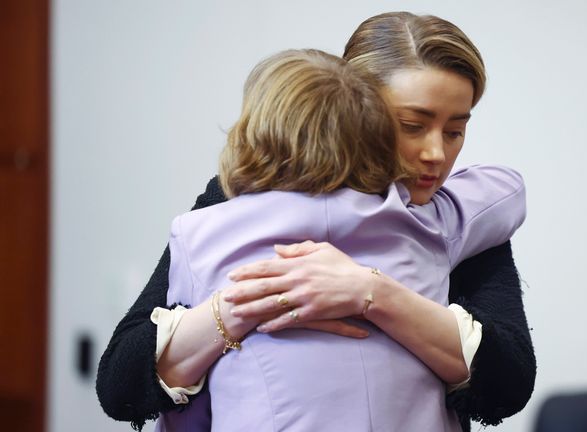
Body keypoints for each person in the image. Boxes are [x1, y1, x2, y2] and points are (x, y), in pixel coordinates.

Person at [97, 11, 536, 432]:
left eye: (455, 130)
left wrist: (372, 292)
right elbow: (120, 385)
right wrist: (244, 306)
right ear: (352, 107)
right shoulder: (235, 199)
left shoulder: (451, 220)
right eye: (411, 125)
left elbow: (510, 383)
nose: (436, 154)